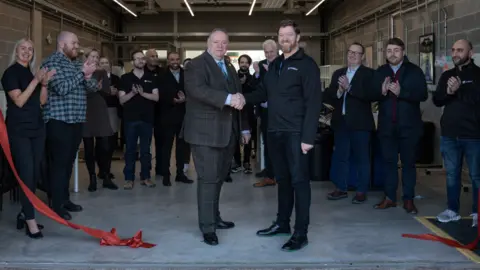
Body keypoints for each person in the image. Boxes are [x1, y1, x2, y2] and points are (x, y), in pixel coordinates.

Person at [244, 20, 323, 251]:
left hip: (296, 133)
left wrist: (308, 137)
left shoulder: (307, 65)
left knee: (300, 182)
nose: (285, 39)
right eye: (281, 35)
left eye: (289, 35)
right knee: (283, 181)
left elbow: (314, 102)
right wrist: (240, 98)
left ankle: (301, 233)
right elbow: (262, 92)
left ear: (297, 37)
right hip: (275, 132)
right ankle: (282, 223)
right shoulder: (276, 64)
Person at [183, 28, 250, 246]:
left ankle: (215, 217)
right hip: (205, 134)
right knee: (208, 179)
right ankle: (207, 227)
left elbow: (238, 97)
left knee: (219, 179)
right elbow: (198, 91)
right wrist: (229, 98)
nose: (220, 46)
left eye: (224, 43)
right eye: (216, 42)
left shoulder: (229, 66)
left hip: (227, 133)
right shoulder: (195, 65)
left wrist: (244, 128)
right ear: (207, 43)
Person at [1, 38, 55, 238]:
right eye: (22, 48)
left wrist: (44, 84)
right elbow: (20, 101)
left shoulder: (31, 73)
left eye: (30, 49)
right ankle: (30, 221)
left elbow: (41, 102)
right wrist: (35, 80)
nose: (26, 52)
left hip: (37, 129)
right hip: (19, 130)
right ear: (16, 51)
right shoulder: (10, 73)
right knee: (26, 174)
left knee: (34, 174)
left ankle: (25, 214)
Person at [41, 31, 98, 220]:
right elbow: (62, 88)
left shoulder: (75, 64)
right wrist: (82, 73)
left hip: (76, 120)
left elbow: (93, 88)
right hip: (59, 121)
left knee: (67, 164)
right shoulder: (51, 63)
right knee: (58, 164)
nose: (77, 46)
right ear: (61, 44)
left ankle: (64, 199)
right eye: (74, 43)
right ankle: (55, 204)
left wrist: (88, 76)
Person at [371, 38, 428, 214]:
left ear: (403, 52)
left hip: (408, 127)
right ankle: (389, 198)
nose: (392, 54)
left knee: (408, 164)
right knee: (388, 163)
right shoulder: (381, 71)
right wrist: (380, 92)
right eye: (389, 51)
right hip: (387, 127)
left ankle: (408, 199)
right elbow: (371, 94)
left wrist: (401, 92)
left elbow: (423, 94)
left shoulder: (414, 71)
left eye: (396, 50)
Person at [433, 39, 480, 227]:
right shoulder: (447, 75)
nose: (455, 54)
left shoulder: (478, 75)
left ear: (471, 52)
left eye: (460, 50)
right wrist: (449, 92)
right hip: (450, 135)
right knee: (452, 174)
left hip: (474, 135)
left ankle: (477, 212)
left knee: (476, 176)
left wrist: (458, 90)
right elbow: (437, 100)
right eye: (453, 50)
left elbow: (476, 100)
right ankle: (452, 209)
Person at [325, 42, 375, 203]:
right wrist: (339, 91)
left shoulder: (369, 74)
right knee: (341, 156)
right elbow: (329, 95)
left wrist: (349, 88)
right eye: (350, 52)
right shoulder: (338, 73)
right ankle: (341, 188)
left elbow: (370, 95)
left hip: (361, 124)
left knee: (362, 158)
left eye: (356, 53)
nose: (352, 55)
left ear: (362, 56)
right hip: (341, 123)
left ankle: (361, 191)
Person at [119, 50, 159, 189]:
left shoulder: (152, 77)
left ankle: (146, 177)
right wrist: (133, 93)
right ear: (132, 62)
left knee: (145, 150)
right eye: (137, 59)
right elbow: (122, 100)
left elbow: (156, 97)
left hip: (147, 119)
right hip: (130, 119)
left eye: (142, 58)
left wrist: (142, 93)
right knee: (130, 150)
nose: (141, 61)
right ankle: (129, 178)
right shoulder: (125, 78)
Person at [81, 48, 118, 192]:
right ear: (86, 58)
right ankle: (92, 178)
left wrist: (96, 88)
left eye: (97, 57)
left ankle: (106, 175)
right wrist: (95, 87)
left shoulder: (102, 72)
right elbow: (80, 90)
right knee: (88, 148)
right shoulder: (81, 71)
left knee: (105, 146)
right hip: (85, 110)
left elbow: (107, 91)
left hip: (100, 109)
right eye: (93, 56)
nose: (95, 59)